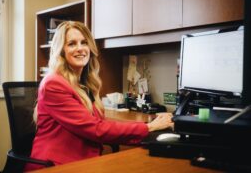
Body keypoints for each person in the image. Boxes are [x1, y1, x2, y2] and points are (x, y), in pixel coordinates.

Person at [25, 21, 174, 171]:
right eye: (71, 44)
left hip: (81, 161)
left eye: (84, 42)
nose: (80, 49)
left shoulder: (83, 84)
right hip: (55, 165)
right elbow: (96, 129)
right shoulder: (54, 84)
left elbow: (99, 125)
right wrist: (148, 127)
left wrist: (148, 129)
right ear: (61, 51)